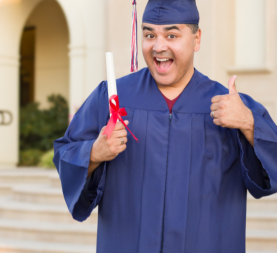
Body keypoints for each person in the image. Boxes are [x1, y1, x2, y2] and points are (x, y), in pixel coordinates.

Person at [53, 0, 277, 252]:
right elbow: (65, 153)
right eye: (149, 34)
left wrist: (249, 123)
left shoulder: (230, 105)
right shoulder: (112, 98)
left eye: (172, 35)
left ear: (196, 39)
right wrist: (95, 152)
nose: (159, 46)